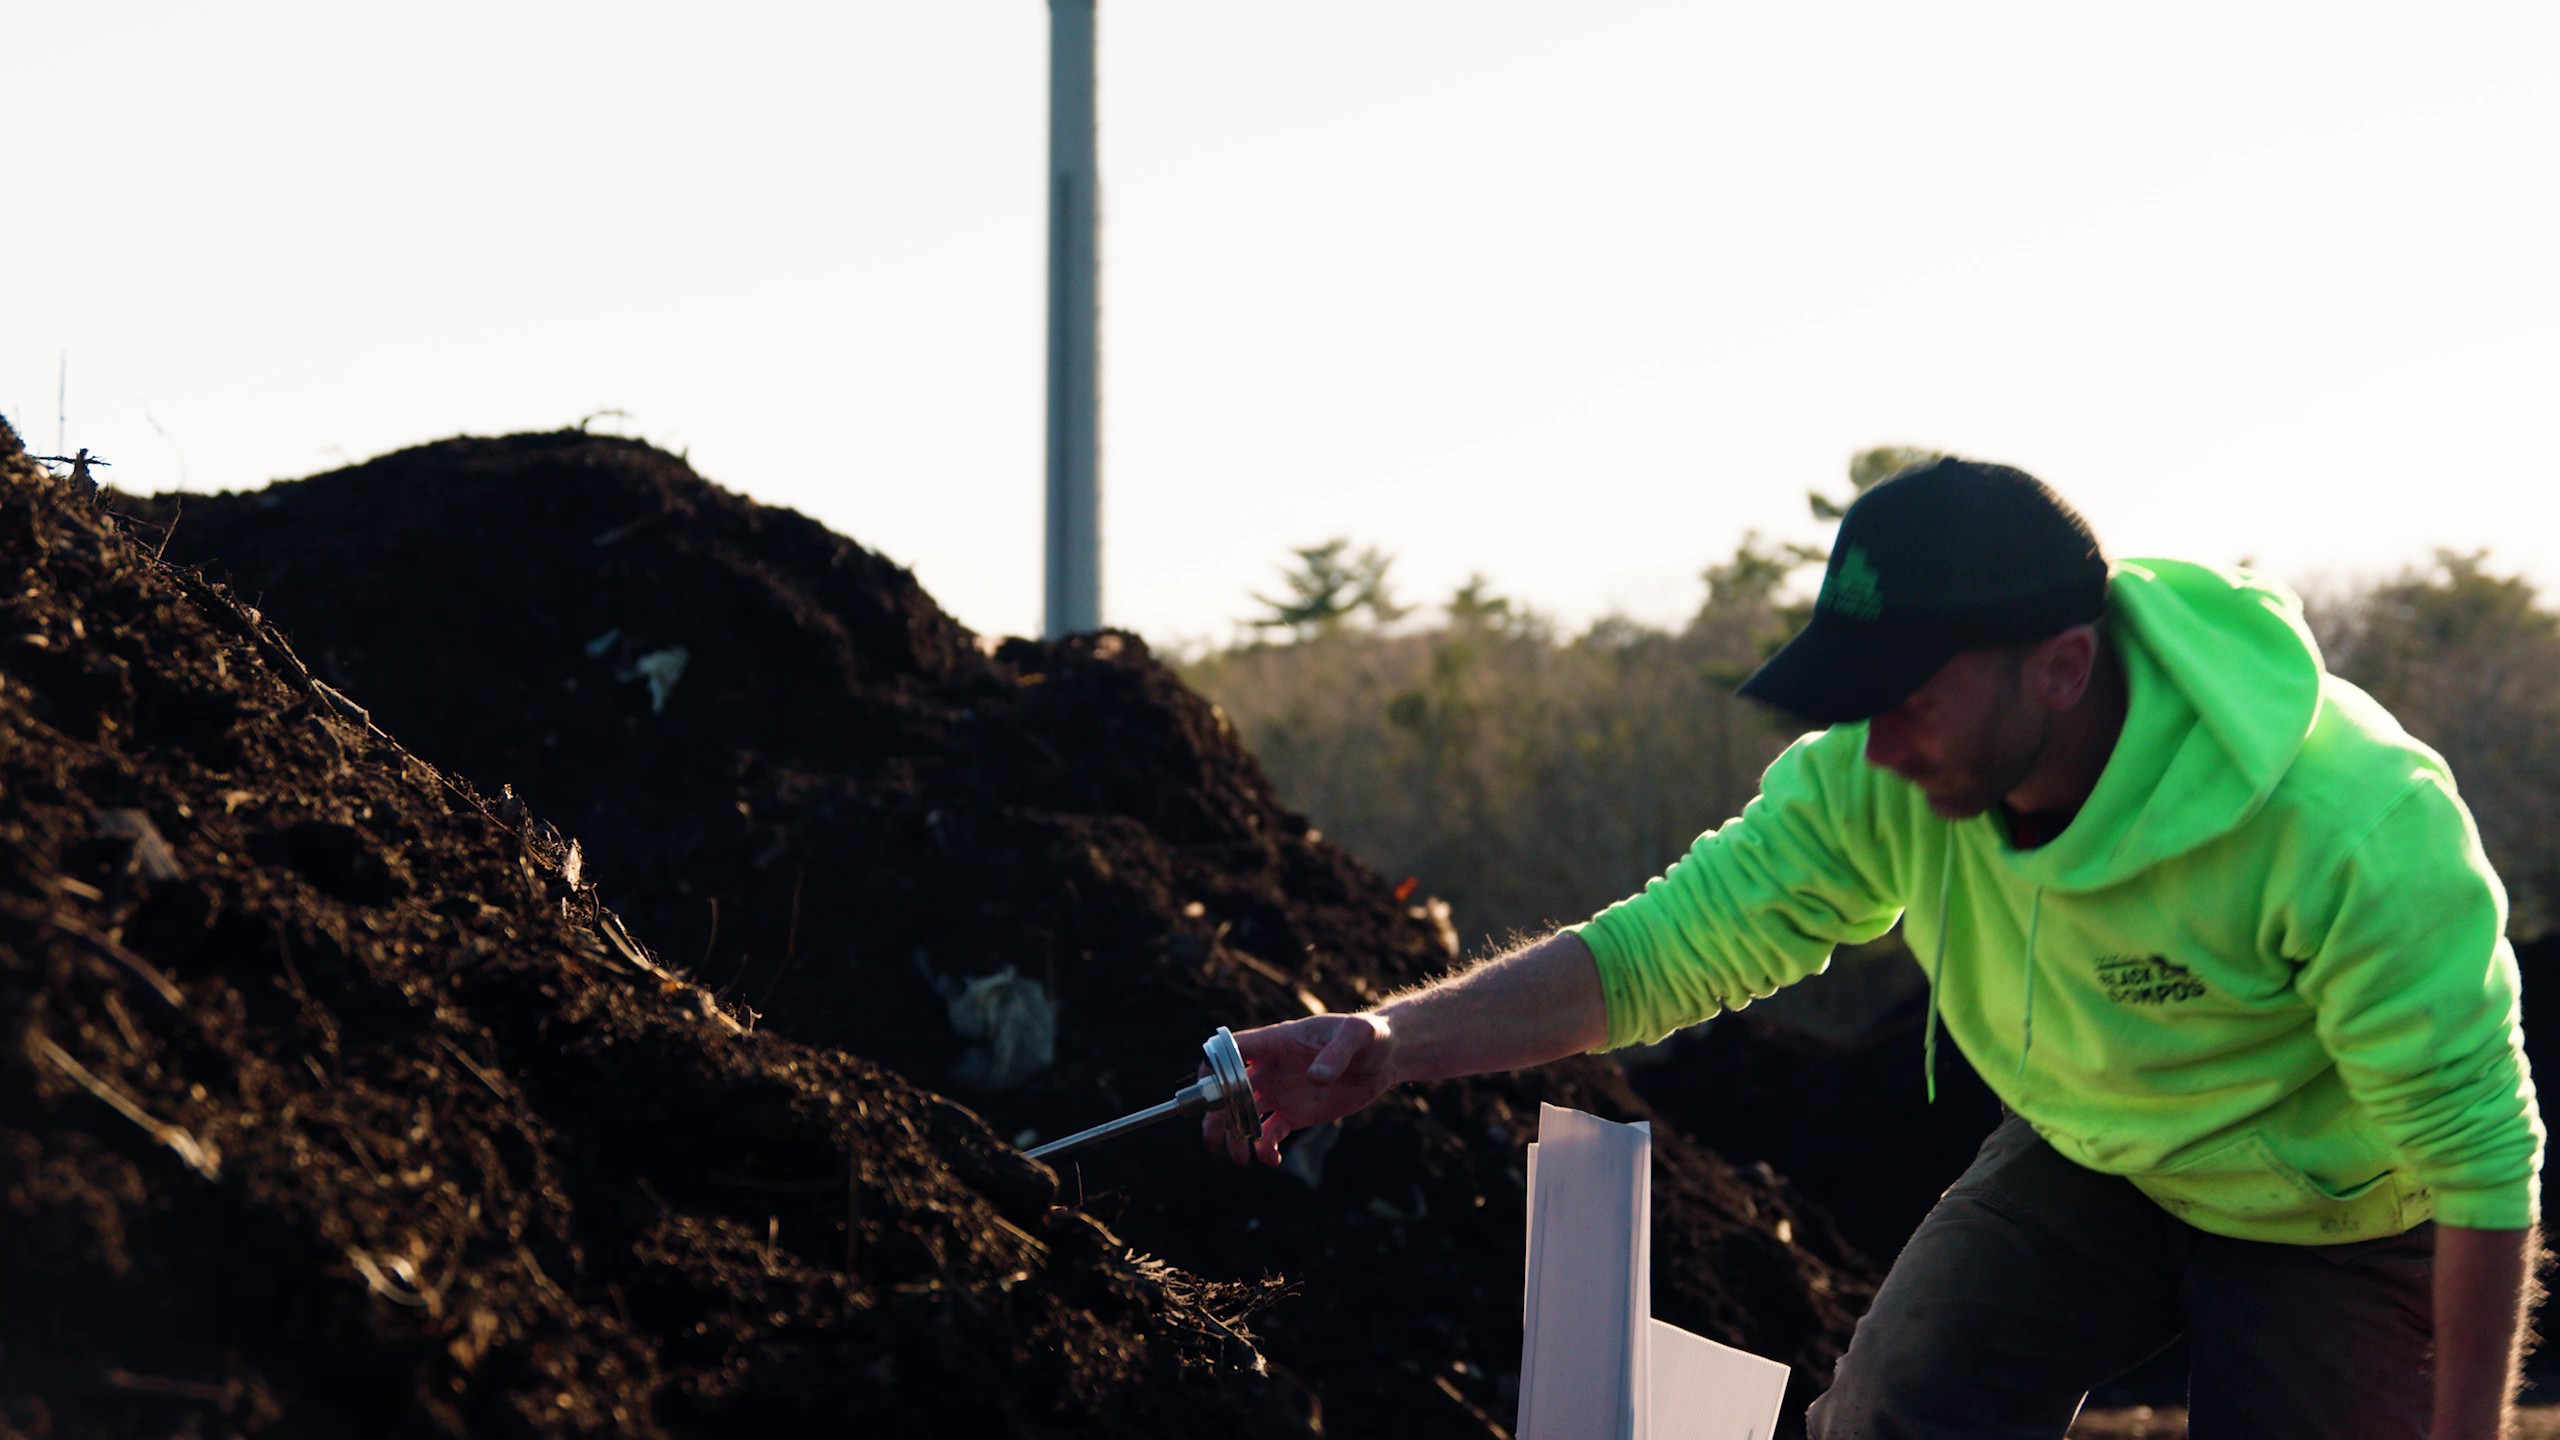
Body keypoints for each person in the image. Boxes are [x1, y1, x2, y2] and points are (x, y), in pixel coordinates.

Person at [1209, 458, 2544, 1439]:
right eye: (1860, 707)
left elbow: (2481, 1162)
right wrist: (1389, 1047)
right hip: (2101, 1156)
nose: (1881, 748)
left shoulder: (2347, 825)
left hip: (2344, 1214)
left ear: (2063, 669)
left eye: (1908, 702)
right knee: (1896, 1411)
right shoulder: (1882, 775)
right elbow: (1660, 952)